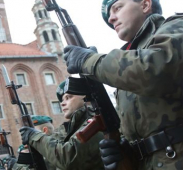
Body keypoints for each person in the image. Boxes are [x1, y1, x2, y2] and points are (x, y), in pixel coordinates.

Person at [63, 0, 183, 169]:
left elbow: (158, 68)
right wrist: (129, 150)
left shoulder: (177, 26)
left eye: (117, 7)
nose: (111, 19)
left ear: (145, 4)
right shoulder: (128, 60)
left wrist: (90, 61)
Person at [19, 81, 104, 170]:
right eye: (62, 100)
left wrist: (34, 136)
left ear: (86, 98)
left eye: (68, 97)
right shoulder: (73, 128)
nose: (62, 103)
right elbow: (51, 165)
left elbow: (69, 159)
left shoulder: (95, 121)